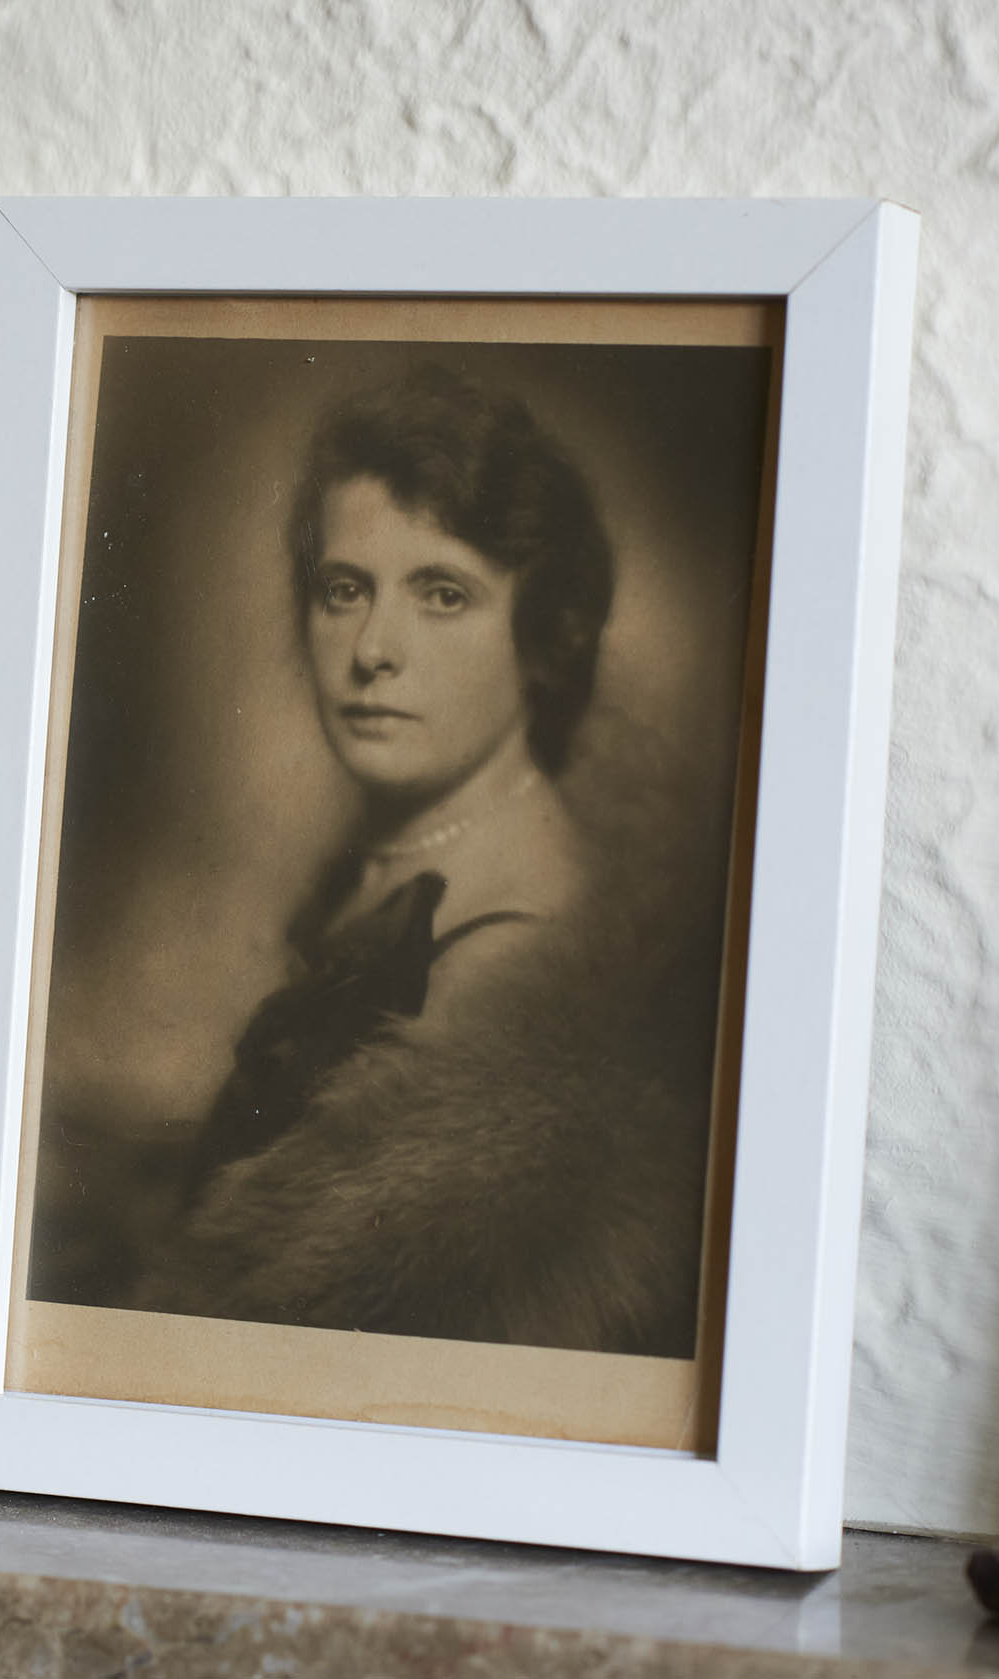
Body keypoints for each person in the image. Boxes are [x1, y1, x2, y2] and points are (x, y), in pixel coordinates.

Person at [140, 364, 720, 1358]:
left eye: (442, 594)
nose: (373, 648)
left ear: (546, 636)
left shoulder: (512, 942)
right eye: (343, 590)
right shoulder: (395, 863)